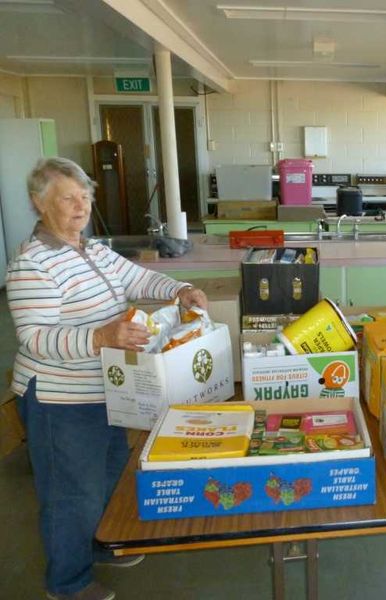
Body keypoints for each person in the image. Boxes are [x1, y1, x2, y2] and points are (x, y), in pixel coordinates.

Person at [7, 158, 208, 600]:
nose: (80, 207)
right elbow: (36, 338)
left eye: (85, 197)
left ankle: (99, 544)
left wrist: (179, 290)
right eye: (68, 198)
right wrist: (101, 336)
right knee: (69, 493)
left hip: (105, 388)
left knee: (109, 471)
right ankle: (68, 582)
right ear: (39, 204)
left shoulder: (92, 249)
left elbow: (136, 277)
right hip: (60, 398)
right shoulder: (33, 264)